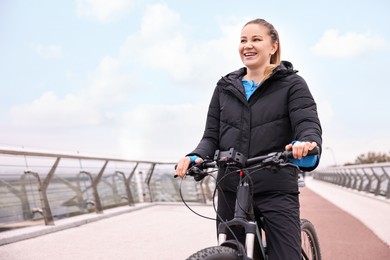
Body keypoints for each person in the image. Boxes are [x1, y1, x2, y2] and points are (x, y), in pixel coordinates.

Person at [175, 18, 322, 260]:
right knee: (233, 253)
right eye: (243, 40)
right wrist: (196, 156)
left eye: (256, 39)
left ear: (273, 46)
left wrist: (305, 143)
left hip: (274, 186)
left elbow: (307, 123)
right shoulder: (224, 87)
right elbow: (211, 137)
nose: (247, 45)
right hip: (231, 187)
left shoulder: (292, 84)